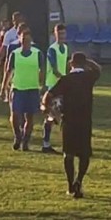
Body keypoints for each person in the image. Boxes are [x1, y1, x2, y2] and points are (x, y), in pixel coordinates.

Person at [42, 52, 101, 199]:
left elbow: (48, 95)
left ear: (71, 64)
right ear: (84, 64)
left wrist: (48, 110)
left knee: (68, 154)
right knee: (84, 154)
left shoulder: (65, 80)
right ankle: (79, 180)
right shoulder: (88, 77)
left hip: (69, 121)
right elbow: (98, 69)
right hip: (85, 121)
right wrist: (88, 62)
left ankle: (70, 185)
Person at [0, 29, 45, 151]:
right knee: (15, 115)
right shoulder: (15, 54)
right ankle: (18, 136)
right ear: (20, 40)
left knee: (29, 117)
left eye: (28, 40)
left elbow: (42, 71)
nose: (26, 42)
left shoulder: (37, 53)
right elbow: (8, 71)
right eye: (23, 40)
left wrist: (42, 85)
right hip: (18, 88)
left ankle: (25, 141)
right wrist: (4, 87)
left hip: (32, 88)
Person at [42, 24, 70, 154]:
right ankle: (46, 143)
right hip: (53, 86)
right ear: (55, 34)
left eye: (63, 34)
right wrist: (64, 79)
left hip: (62, 86)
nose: (62, 36)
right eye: (59, 34)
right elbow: (54, 69)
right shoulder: (52, 49)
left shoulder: (65, 48)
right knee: (52, 115)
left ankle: (59, 142)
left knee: (59, 115)